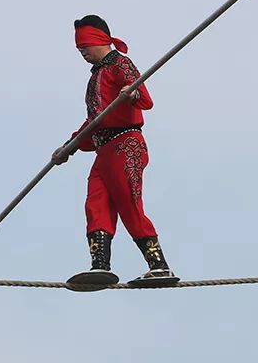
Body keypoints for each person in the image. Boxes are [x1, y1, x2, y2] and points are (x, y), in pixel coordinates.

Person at [52, 14, 176, 283]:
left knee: (128, 204)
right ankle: (100, 266)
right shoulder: (95, 77)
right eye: (79, 49)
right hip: (104, 150)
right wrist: (69, 147)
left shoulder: (121, 63)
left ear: (98, 41)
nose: (82, 52)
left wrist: (130, 94)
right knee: (95, 204)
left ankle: (159, 266)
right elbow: (94, 122)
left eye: (84, 46)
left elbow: (143, 97)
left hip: (125, 144)